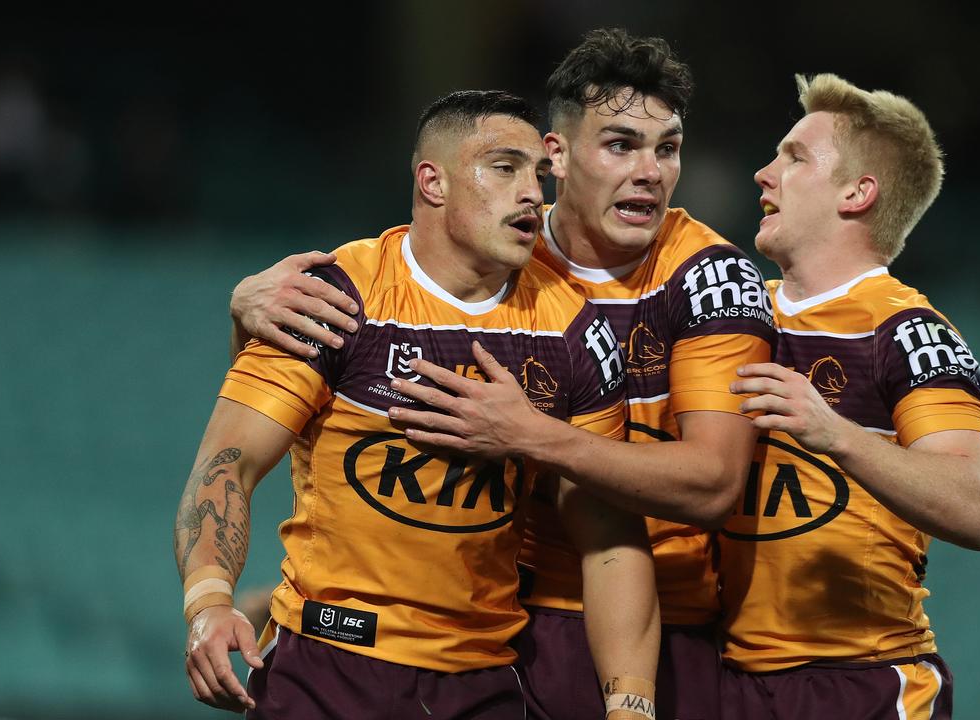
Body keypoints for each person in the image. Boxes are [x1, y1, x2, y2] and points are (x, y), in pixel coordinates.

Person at [230, 29, 776, 720]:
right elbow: (329, 387)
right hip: (498, 624)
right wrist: (244, 313)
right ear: (556, 155)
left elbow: (713, 484)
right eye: (620, 145)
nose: (650, 172)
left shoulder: (711, 278)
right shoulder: (495, 242)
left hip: (656, 616)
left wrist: (531, 436)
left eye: (666, 148)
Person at [173, 90, 660, 720]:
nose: (533, 194)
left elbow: (609, 534)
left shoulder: (572, 330)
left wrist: (630, 704)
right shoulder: (338, 297)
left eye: (538, 175)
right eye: (504, 167)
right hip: (327, 670)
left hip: (480, 682)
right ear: (432, 181)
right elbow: (227, 465)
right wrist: (208, 605)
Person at [720, 73, 980, 718]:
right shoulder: (730, 315)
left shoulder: (906, 329)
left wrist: (835, 432)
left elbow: (975, 507)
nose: (764, 174)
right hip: (724, 676)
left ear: (857, 192)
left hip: (857, 682)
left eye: (794, 158)